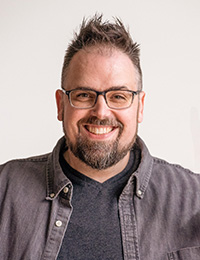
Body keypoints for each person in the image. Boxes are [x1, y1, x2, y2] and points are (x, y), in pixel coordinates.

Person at [0, 14, 200, 260]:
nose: (101, 112)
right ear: (61, 105)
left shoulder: (195, 198)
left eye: (118, 96)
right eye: (84, 95)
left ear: (140, 106)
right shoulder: (4, 190)